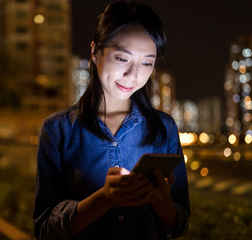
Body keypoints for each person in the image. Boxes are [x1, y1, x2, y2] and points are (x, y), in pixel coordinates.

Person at [33, 1, 190, 239]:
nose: (133, 75)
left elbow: (180, 223)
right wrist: (104, 199)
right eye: (122, 58)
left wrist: (160, 201)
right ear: (95, 52)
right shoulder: (58, 131)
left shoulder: (164, 129)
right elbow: (45, 228)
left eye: (147, 62)